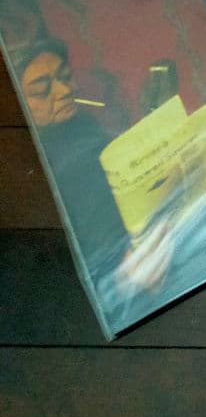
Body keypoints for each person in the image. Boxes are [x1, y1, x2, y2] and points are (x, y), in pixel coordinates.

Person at [12, 38, 176, 297]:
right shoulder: (38, 169)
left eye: (65, 77)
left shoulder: (84, 126)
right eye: (42, 91)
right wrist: (122, 278)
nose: (64, 90)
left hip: (155, 248)